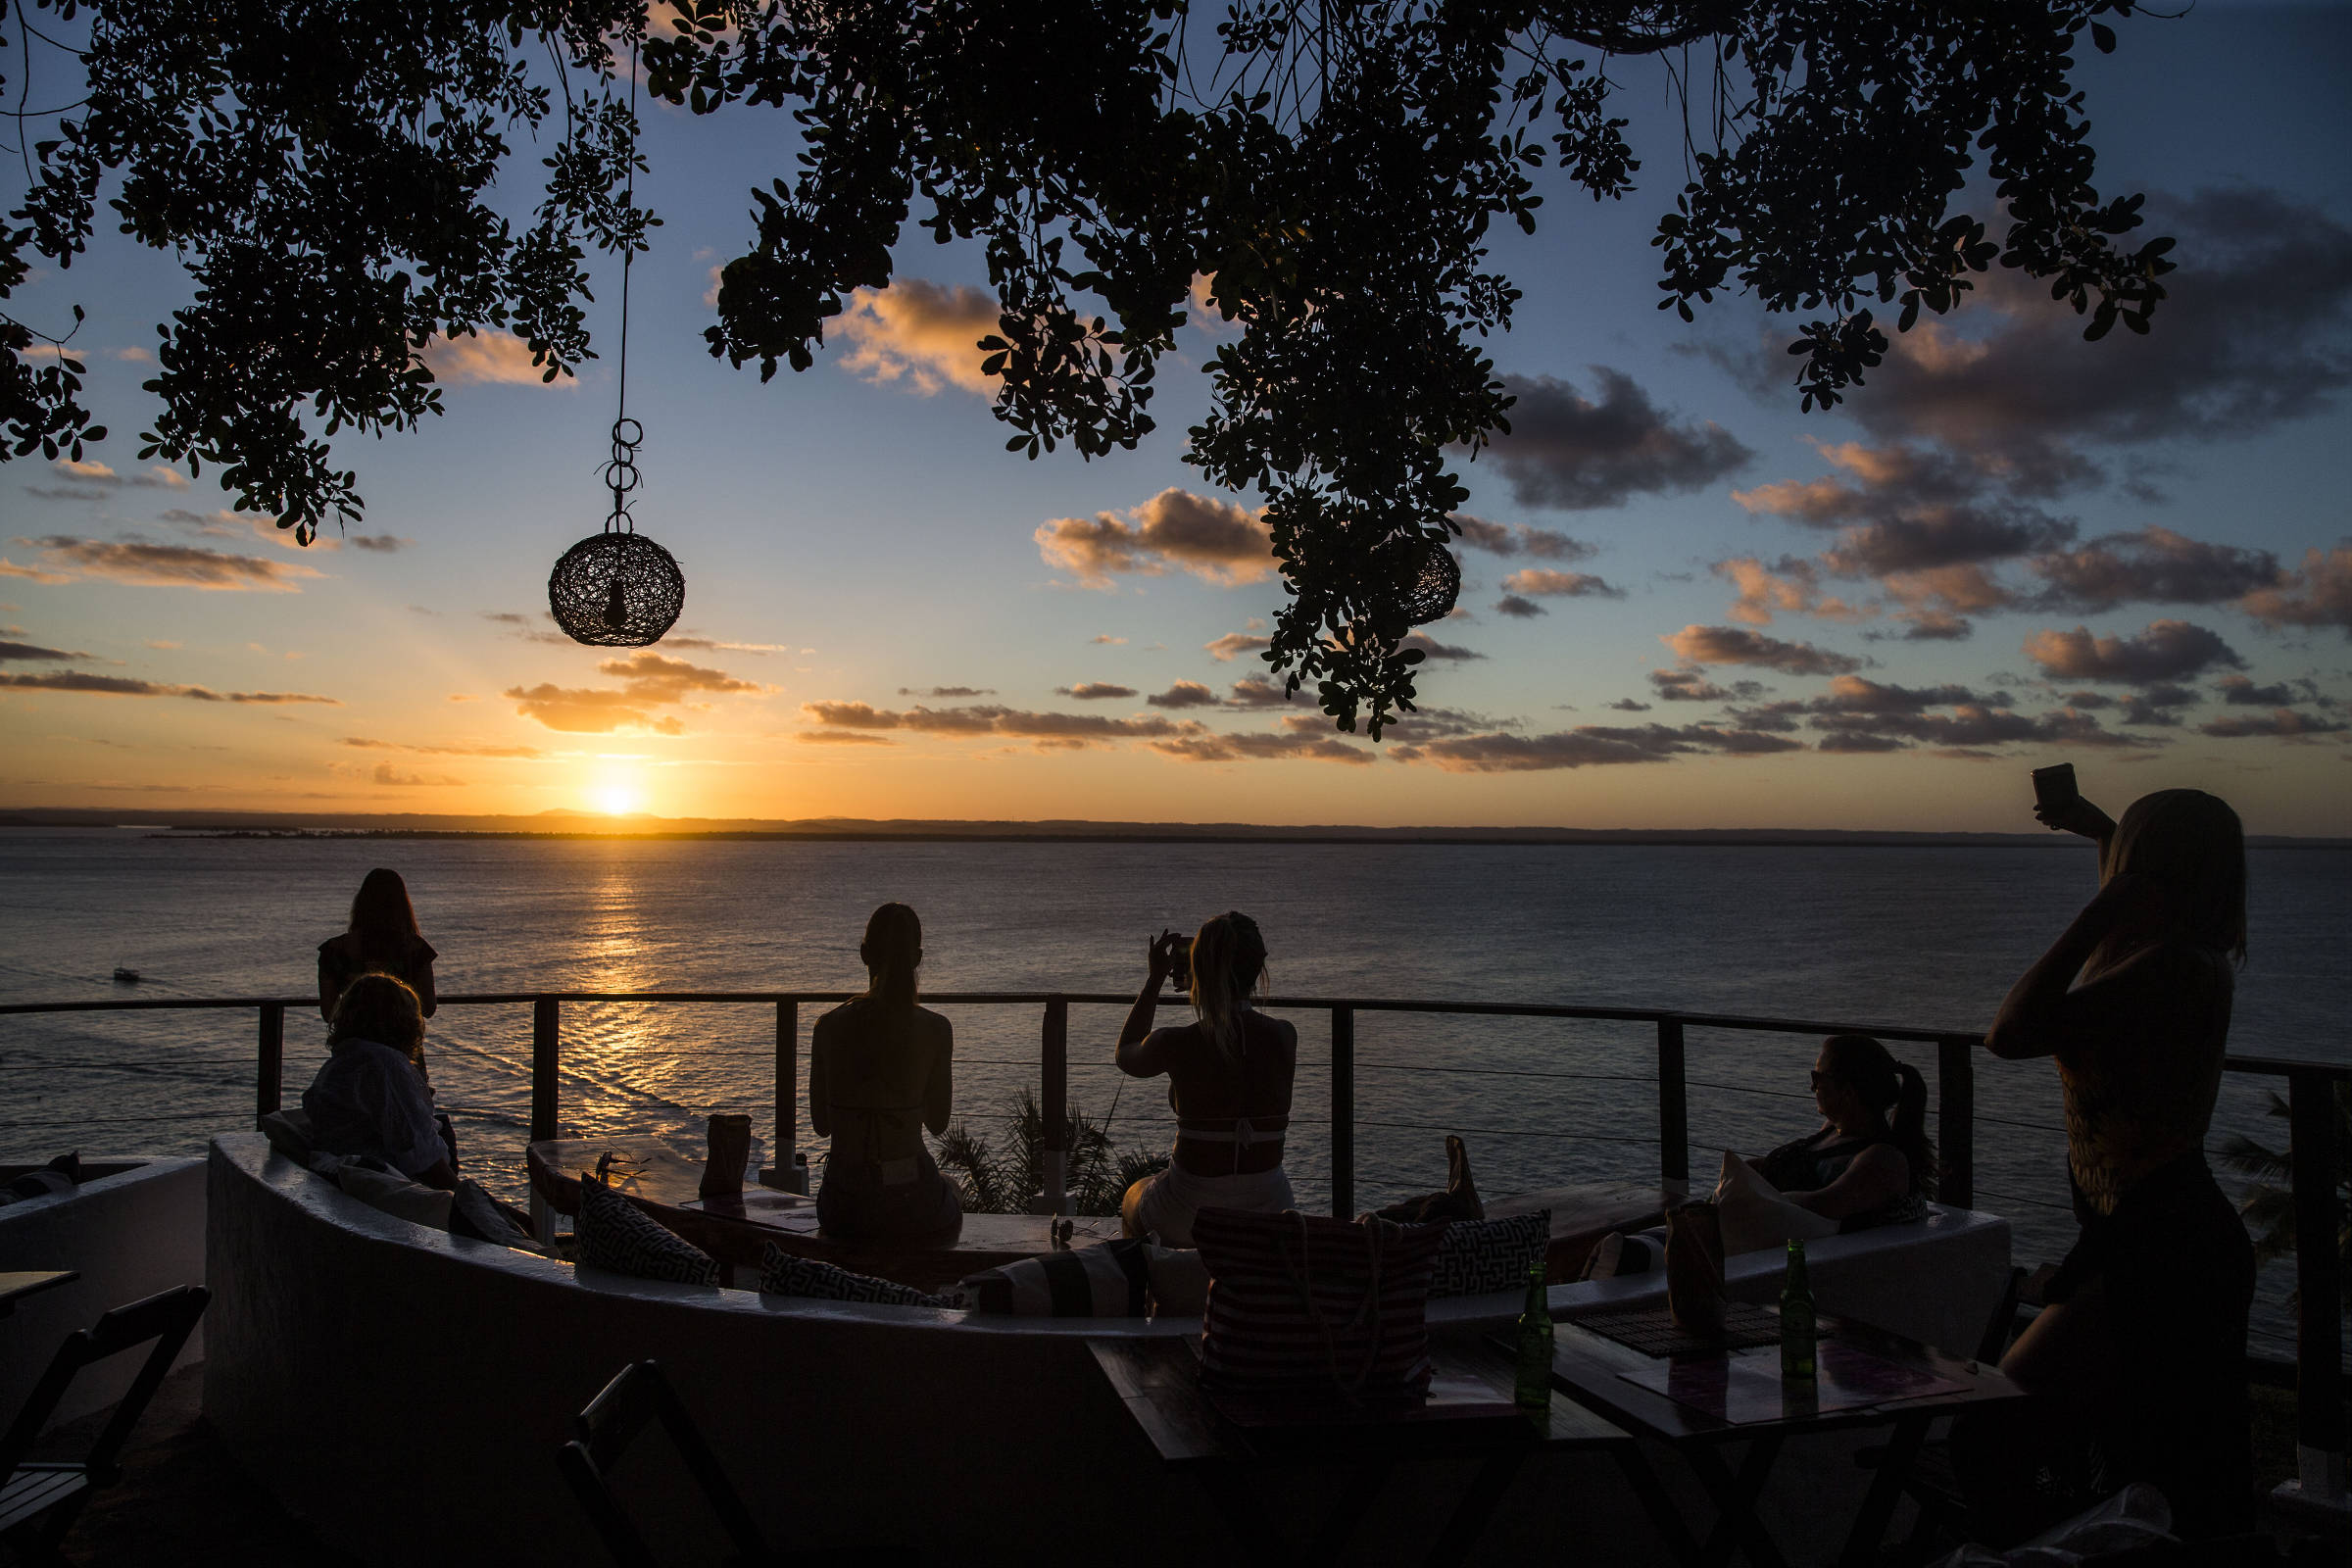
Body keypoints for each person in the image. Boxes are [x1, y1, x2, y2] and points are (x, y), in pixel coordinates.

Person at [1974, 787, 2254, 1540]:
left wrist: (2095, 913)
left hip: (2165, 1238)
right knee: (2134, 1453)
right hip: (2130, 1227)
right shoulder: (2157, 956)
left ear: (2151, 875)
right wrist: (2100, 832)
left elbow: (2011, 1031)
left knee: (2002, 1415)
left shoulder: (2176, 969)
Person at [1115, 912, 1298, 1247]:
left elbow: (1126, 1054)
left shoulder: (1176, 1042)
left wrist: (1155, 979)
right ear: (1258, 970)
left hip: (1191, 1211)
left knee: (1132, 1196)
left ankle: (1158, 1293)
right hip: (1272, 1207)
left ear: (1200, 969)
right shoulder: (1285, 1036)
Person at [808, 903, 959, 1240]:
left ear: (864, 954)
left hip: (843, 1202)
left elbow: (821, 1125)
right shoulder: (936, 1029)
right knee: (951, 1188)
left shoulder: (828, 1026)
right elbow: (938, 1123)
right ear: (917, 958)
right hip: (910, 1197)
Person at [1747, 1034, 1934, 1229]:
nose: (1813, 1087)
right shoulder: (1832, 1130)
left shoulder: (1882, 1160)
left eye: (1817, 1078)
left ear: (1848, 1092)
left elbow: (1823, 1204)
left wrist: (1750, 1197)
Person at [302, 972, 458, 1190]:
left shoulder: (340, 1064)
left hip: (351, 1185)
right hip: (402, 1192)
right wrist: (467, 1200)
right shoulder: (385, 1066)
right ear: (403, 1020)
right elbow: (424, 1163)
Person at [319, 867, 438, 1027]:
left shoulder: (334, 950)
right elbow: (428, 1009)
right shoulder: (416, 950)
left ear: (361, 902)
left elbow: (329, 1013)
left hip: (352, 1044)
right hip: (402, 1044)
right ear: (402, 904)